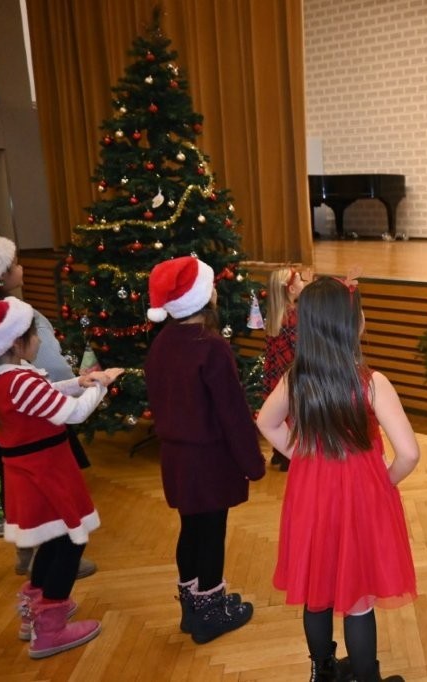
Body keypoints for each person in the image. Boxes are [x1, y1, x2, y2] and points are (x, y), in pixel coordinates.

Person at [257, 276, 419, 682]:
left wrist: (302, 456)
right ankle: (366, 677)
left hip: (311, 494)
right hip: (360, 497)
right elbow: (409, 453)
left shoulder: (295, 379)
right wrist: (385, 482)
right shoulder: (372, 383)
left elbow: (266, 422)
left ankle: (323, 671)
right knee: (358, 599)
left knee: (317, 591)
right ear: (350, 324)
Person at [0, 296, 123, 658]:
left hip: (32, 471)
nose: (40, 339)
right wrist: (101, 385)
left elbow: (46, 394)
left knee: (54, 540)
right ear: (15, 342)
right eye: (35, 333)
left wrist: (80, 381)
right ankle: (51, 628)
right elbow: (73, 414)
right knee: (71, 542)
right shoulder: (19, 382)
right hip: (44, 472)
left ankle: (36, 610)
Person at [142, 256, 266, 645]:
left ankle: (192, 607)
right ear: (201, 297)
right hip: (209, 461)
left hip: (176, 459)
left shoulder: (162, 342)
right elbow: (233, 413)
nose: (215, 290)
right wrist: (252, 462)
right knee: (211, 532)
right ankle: (210, 614)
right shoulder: (211, 347)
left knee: (192, 529)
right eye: (210, 285)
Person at [0, 233, 98, 578]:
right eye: (15, 264)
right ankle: (53, 558)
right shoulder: (18, 319)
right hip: (32, 419)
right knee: (47, 490)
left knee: (11, 479)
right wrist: (86, 384)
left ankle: (26, 549)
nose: (22, 268)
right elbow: (53, 369)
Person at [262, 265, 308, 472]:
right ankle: (290, 456)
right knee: (294, 415)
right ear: (291, 289)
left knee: (281, 413)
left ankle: (279, 453)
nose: (302, 283)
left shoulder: (276, 315)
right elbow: (299, 349)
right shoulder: (293, 317)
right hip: (292, 374)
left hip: (276, 374)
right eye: (300, 280)